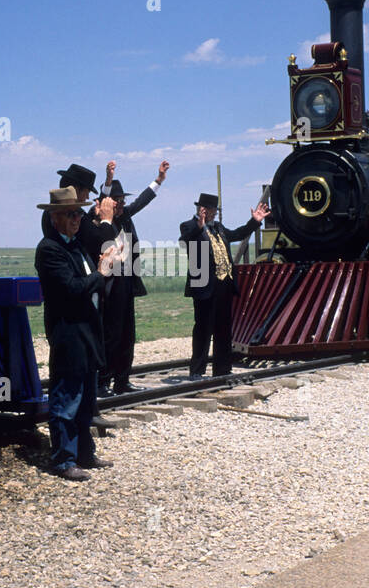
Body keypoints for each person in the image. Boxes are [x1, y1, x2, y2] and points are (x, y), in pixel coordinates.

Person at [34, 186, 117, 481]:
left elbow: (88, 284)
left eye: (79, 213)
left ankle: (84, 453)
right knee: (67, 398)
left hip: (86, 331)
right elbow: (72, 289)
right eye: (71, 213)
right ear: (55, 217)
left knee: (85, 398)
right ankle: (63, 460)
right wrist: (101, 271)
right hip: (69, 333)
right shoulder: (50, 250)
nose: (77, 218)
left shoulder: (74, 246)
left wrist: (99, 270)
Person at [95, 159, 169, 394]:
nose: (121, 204)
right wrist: (107, 181)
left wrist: (158, 180)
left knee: (128, 333)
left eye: (122, 201)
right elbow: (103, 198)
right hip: (109, 282)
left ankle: (122, 380)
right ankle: (103, 381)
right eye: (117, 201)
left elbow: (143, 201)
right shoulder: (99, 221)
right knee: (111, 334)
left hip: (126, 281)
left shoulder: (125, 216)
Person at [179, 193, 269, 378]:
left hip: (224, 285)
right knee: (203, 330)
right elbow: (187, 240)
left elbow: (237, 234)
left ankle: (222, 369)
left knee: (223, 329)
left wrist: (254, 222)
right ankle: (197, 371)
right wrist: (199, 225)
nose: (214, 214)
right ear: (201, 210)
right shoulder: (189, 226)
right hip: (204, 286)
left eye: (215, 211)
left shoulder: (218, 227)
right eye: (211, 211)